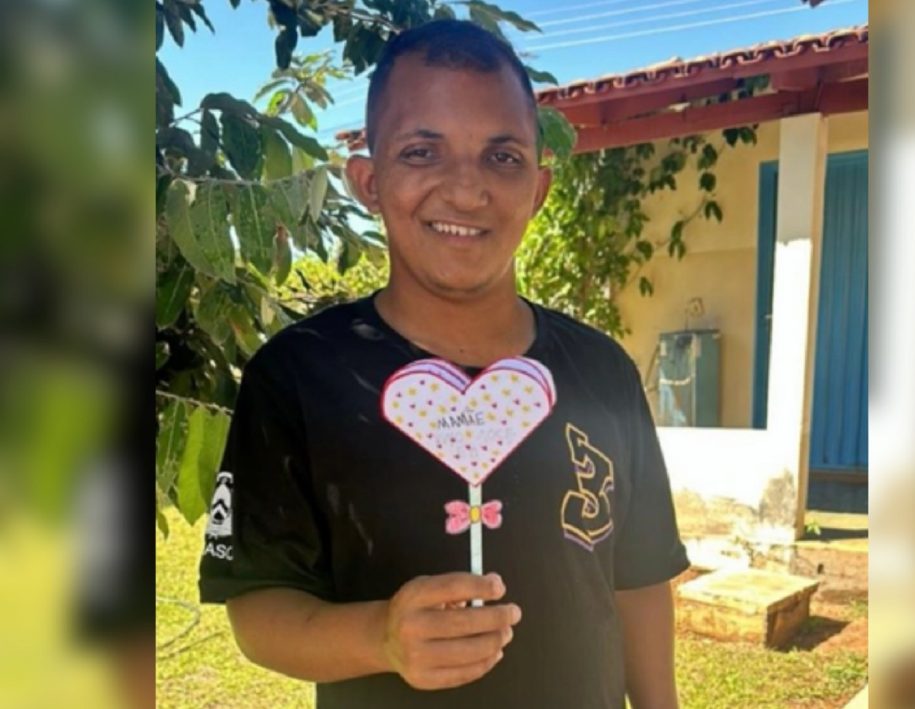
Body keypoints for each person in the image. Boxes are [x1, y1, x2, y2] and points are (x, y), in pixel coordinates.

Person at [199, 19, 688, 709]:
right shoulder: (298, 377)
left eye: (503, 157)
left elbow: (638, 578)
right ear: (369, 181)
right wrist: (382, 637)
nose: (466, 190)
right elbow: (256, 608)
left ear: (539, 188)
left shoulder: (602, 373)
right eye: (422, 152)